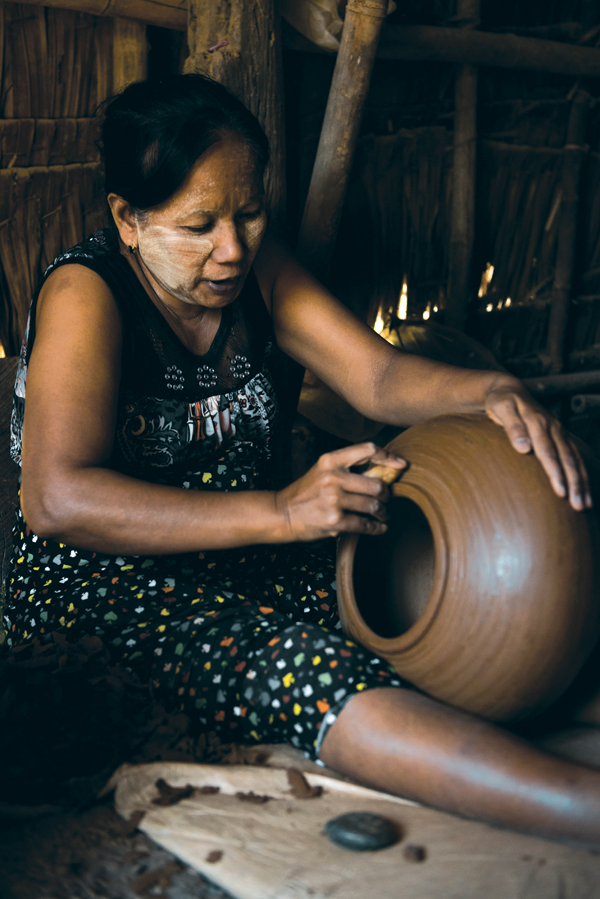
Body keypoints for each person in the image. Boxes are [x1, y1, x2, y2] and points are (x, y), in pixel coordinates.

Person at [3, 73, 600, 847]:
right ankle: (578, 804)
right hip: (97, 574)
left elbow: (378, 376)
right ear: (128, 219)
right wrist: (283, 511)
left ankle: (547, 714)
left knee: (402, 593)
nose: (233, 247)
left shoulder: (258, 270)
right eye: (199, 225)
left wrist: (491, 389)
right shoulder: (90, 294)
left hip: (241, 549)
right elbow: (55, 499)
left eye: (249, 213)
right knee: (295, 662)